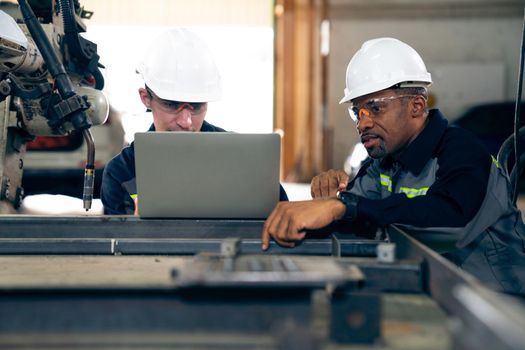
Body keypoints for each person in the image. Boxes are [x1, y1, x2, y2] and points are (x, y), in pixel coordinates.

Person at [261, 37, 525, 295]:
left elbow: (453, 221)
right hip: (439, 296)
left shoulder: (460, 151)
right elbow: (361, 215)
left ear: (416, 105)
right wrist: (330, 202)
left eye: (375, 108)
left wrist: (343, 207)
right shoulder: (382, 163)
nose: (361, 123)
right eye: (357, 111)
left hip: (502, 306)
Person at [101, 28, 288, 214]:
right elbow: (122, 242)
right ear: (145, 98)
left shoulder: (243, 159)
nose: (186, 122)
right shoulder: (122, 173)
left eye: (196, 106)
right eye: (172, 105)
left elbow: (283, 220)